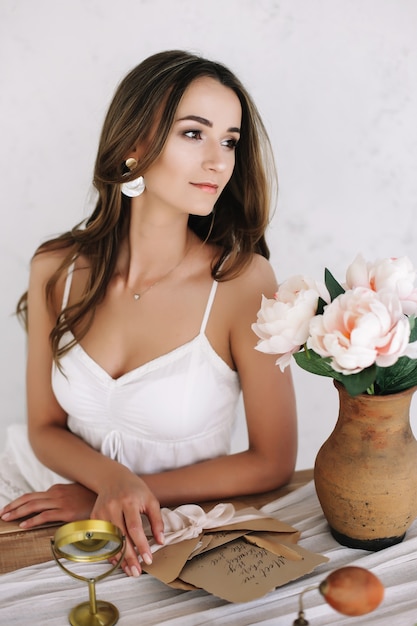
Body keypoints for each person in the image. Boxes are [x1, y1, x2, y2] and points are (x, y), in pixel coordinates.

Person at [0, 50, 297, 577]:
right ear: (133, 144)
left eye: (230, 140)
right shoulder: (55, 268)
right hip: (59, 504)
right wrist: (105, 484)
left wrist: (117, 490)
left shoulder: (241, 282)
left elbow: (272, 460)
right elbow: (45, 427)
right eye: (193, 133)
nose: (219, 160)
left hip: (181, 526)